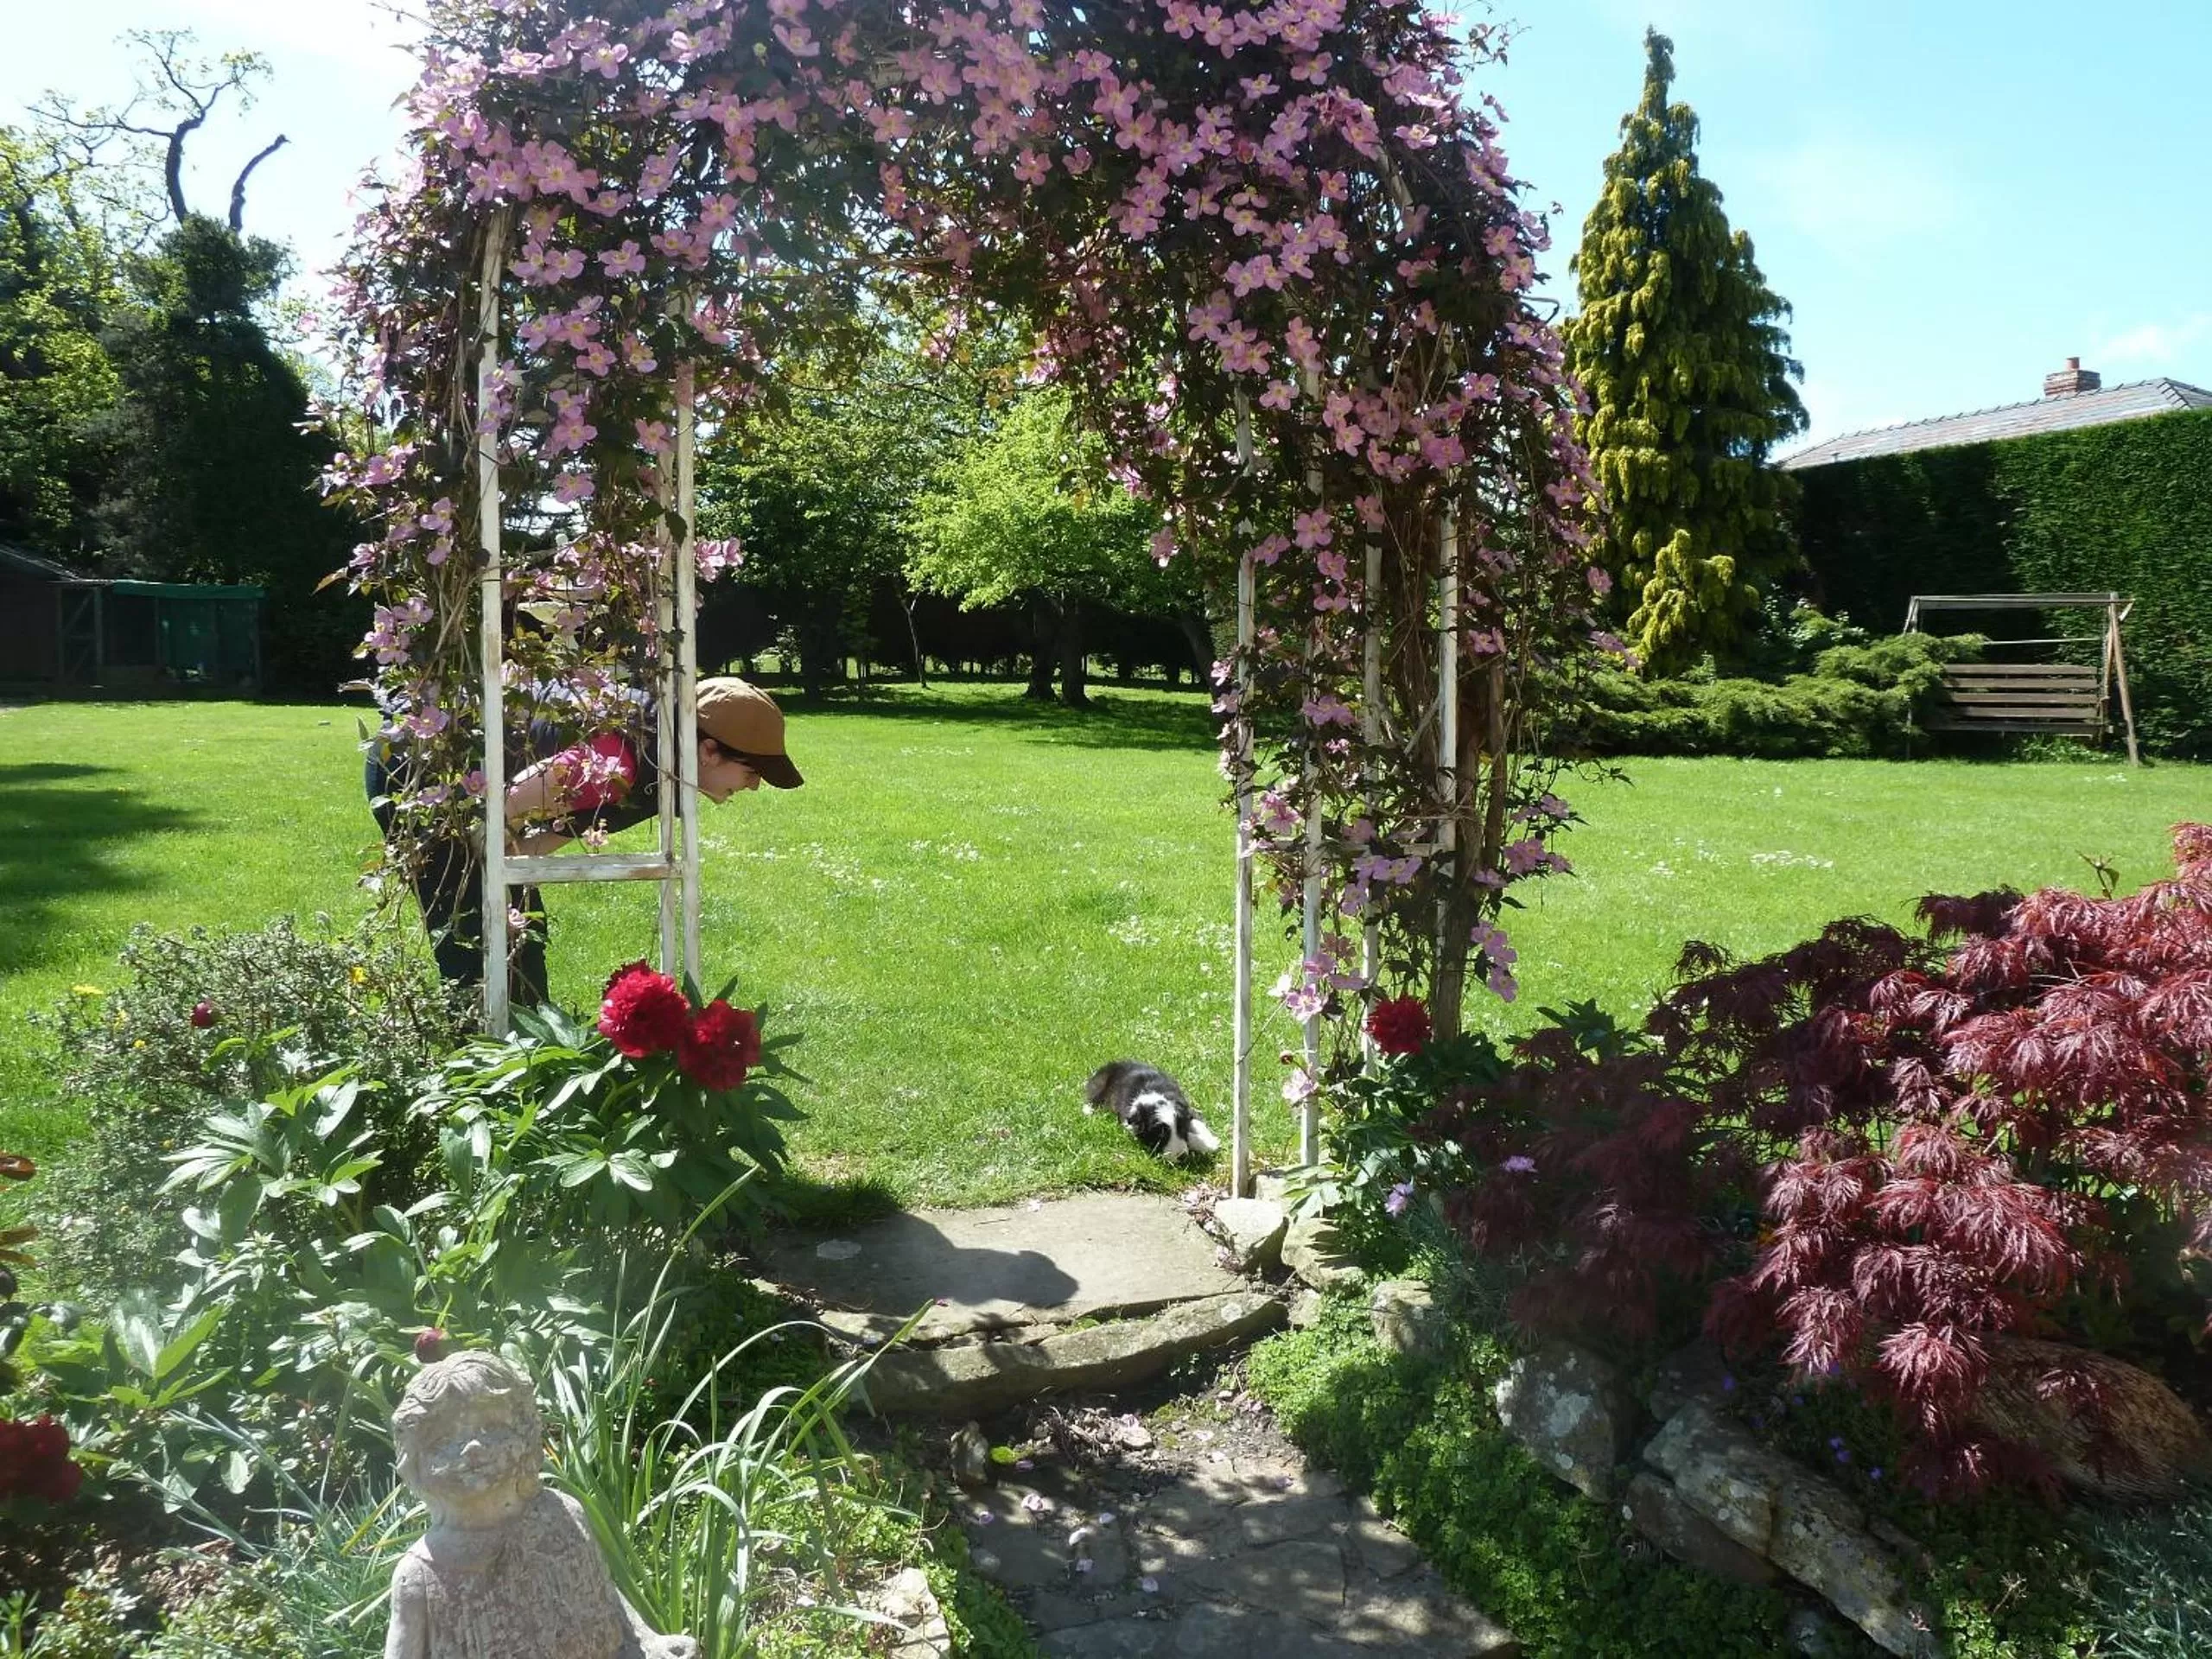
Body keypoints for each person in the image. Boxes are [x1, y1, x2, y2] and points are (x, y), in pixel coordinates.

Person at [366, 677, 802, 1008]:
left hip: (474, 787)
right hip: (421, 768)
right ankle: (487, 1070)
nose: (755, 787)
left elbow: (537, 844)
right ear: (709, 751)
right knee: (474, 937)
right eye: (752, 773)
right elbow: (490, 822)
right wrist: (496, 862)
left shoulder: (660, 771)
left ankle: (517, 1045)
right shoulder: (624, 761)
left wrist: (513, 863)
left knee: (518, 932)